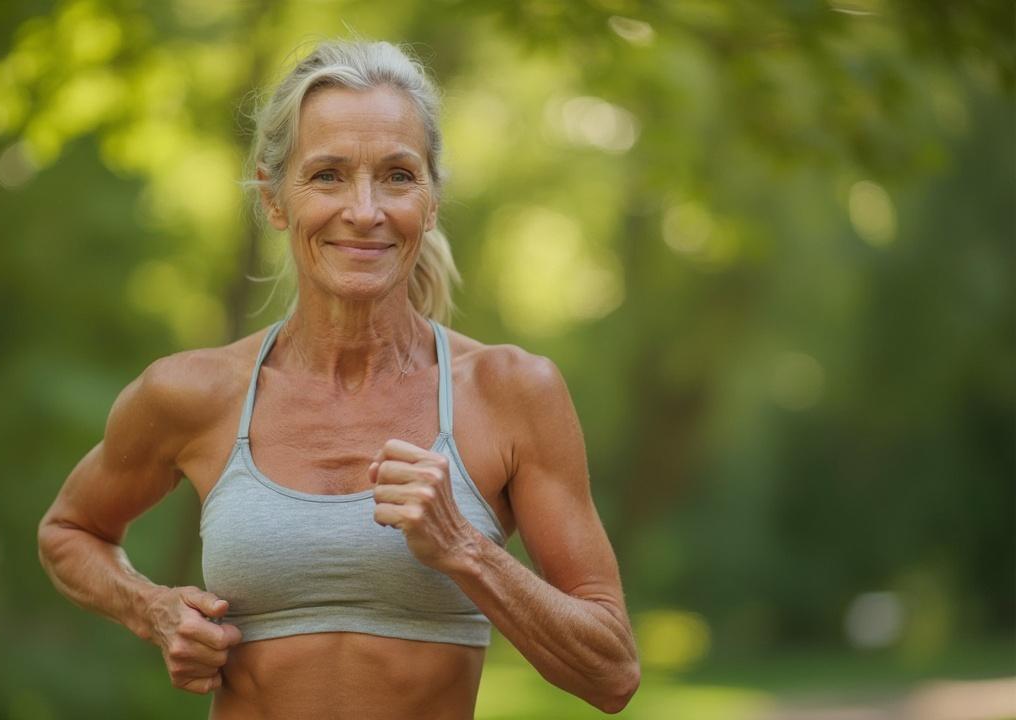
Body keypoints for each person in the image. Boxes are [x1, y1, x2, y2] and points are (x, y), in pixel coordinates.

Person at [37, 39, 640, 719]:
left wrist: (466, 549)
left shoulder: (509, 391)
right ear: (274, 199)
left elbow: (612, 672)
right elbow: (69, 532)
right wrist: (151, 609)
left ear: (432, 200)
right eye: (327, 175)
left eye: (398, 176)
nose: (364, 210)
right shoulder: (193, 394)